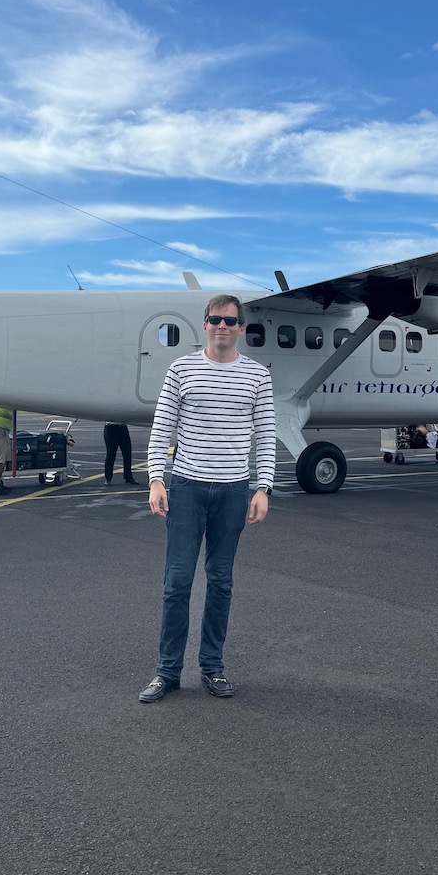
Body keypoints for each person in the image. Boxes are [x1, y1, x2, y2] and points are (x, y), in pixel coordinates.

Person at [138, 294, 275, 704]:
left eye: (230, 321)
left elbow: (266, 433)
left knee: (220, 582)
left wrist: (263, 487)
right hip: (187, 488)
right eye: (215, 319)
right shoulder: (181, 368)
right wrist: (155, 479)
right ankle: (167, 672)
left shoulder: (257, 376)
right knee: (176, 583)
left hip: (233, 490)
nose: (222, 326)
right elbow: (163, 425)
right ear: (205, 324)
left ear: (241, 328)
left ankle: (212, 668)